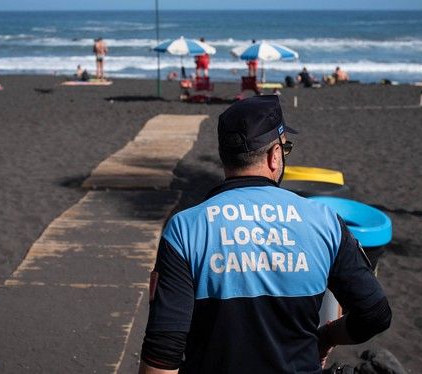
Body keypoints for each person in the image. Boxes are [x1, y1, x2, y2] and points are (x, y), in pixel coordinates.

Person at [138, 95, 392, 374]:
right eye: (286, 148)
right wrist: (327, 336)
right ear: (274, 156)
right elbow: (375, 315)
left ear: (225, 157)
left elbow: (162, 355)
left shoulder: (184, 229)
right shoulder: (325, 222)